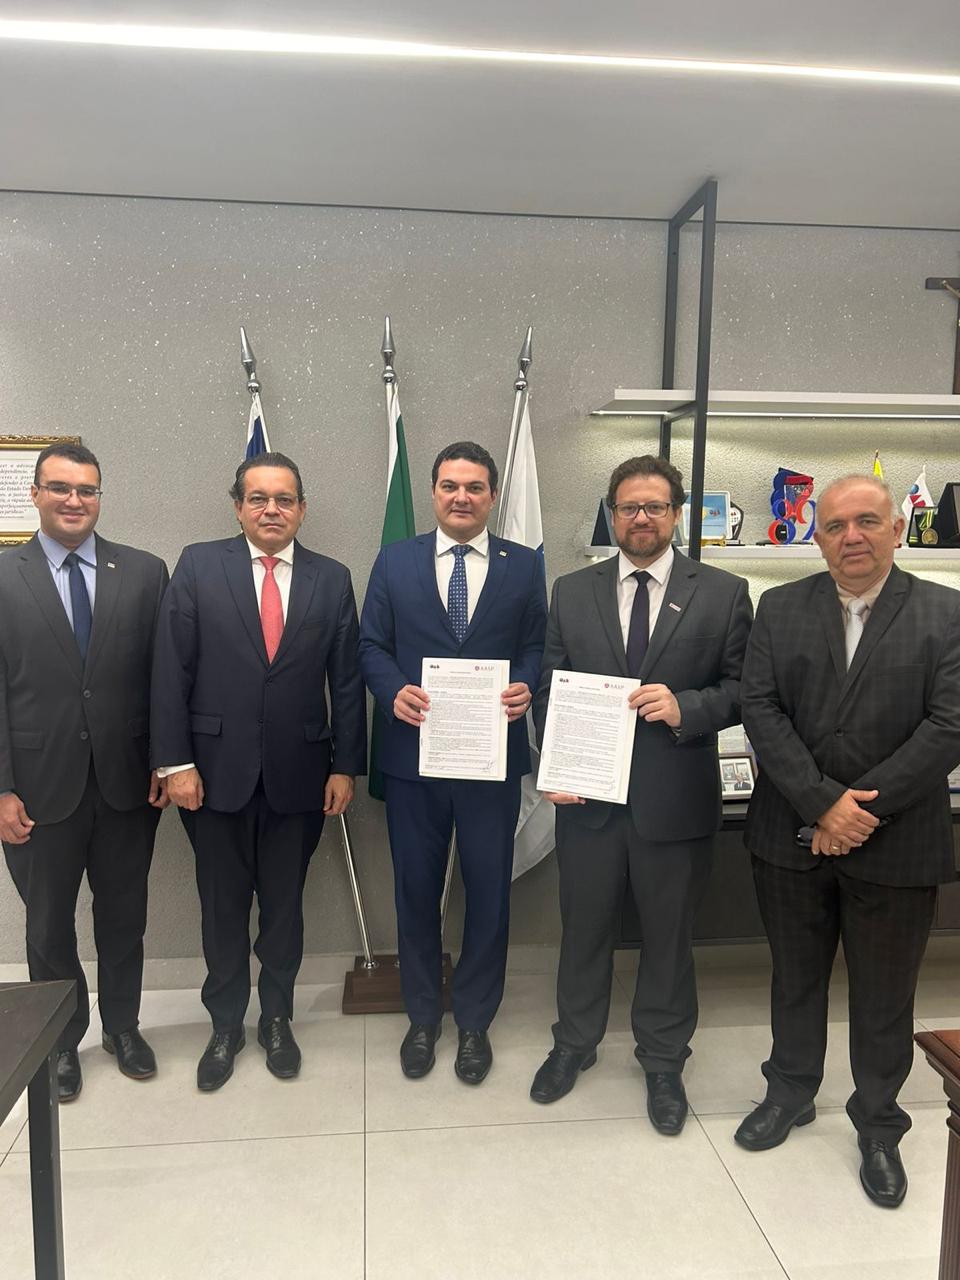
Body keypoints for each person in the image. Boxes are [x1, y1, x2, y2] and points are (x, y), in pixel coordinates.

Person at [736, 473, 960, 1208]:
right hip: (791, 834)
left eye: (867, 521)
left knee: (885, 993)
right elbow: (761, 709)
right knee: (794, 978)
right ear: (817, 536)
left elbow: (949, 724)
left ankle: (879, 1124)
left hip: (898, 840)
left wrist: (860, 811)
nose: (851, 537)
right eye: (835, 525)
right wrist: (822, 804)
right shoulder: (779, 607)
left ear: (897, 530)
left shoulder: (947, 612)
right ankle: (790, 1091)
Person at [529, 455, 753, 1135]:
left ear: (677, 514)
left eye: (655, 506)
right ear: (612, 514)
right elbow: (550, 685)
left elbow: (746, 689)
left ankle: (662, 1060)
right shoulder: (572, 590)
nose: (641, 518)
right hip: (588, 803)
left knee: (668, 939)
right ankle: (574, 1044)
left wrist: (687, 706)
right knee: (584, 931)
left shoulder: (723, 592)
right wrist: (554, 763)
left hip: (674, 800)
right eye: (628, 507)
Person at [150, 452, 366, 1091]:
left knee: (283, 909)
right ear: (238, 506)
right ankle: (224, 1026)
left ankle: (276, 1019)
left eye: (284, 499)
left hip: (301, 776)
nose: (272, 509)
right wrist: (176, 763)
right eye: (258, 498)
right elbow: (170, 670)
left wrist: (346, 766)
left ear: (302, 508)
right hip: (212, 777)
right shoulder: (198, 565)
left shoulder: (332, 578)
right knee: (221, 909)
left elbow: (346, 682)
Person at [359, 441, 547, 1084]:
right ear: (434, 493)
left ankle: (473, 1022)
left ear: (491, 496)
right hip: (414, 758)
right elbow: (371, 645)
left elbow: (536, 645)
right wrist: (392, 690)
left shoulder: (524, 565)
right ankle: (422, 1017)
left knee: (489, 892)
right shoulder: (395, 560)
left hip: (491, 760)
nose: (461, 497)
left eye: (474, 487)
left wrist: (526, 683)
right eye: (449, 486)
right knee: (415, 891)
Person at [0, 442, 169, 1101]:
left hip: (127, 782)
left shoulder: (145, 572)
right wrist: (1, 788)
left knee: (124, 917)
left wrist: (165, 761)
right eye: (61, 488)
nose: (75, 500)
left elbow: (164, 679)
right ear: (35, 494)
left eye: (87, 490)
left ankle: (123, 1028)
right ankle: (62, 1041)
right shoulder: (4, 575)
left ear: (100, 497)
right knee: (47, 926)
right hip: (36, 790)